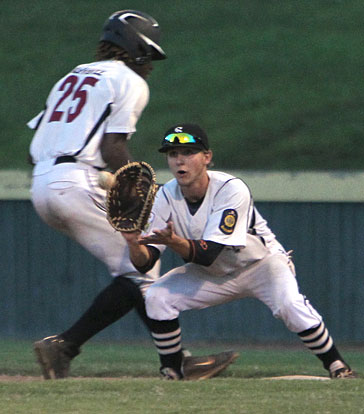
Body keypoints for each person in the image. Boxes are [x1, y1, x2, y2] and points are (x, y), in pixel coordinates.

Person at [28, 11, 236, 381]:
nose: (150, 66)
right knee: (140, 269)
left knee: (141, 273)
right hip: (79, 180)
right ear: (137, 49)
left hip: (42, 183)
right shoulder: (129, 81)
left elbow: (37, 146)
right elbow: (113, 146)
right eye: (149, 56)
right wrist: (140, 189)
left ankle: (176, 360)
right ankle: (66, 347)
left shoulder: (71, 76)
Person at [120, 122, 356, 380]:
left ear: (207, 157)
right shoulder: (165, 195)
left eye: (188, 152)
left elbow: (209, 251)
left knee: (290, 305)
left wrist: (173, 241)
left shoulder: (230, 189)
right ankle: (173, 370)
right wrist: (133, 242)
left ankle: (338, 367)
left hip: (261, 265)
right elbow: (144, 264)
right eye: (173, 154)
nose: (179, 160)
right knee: (156, 296)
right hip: (210, 273)